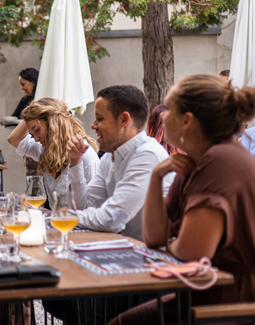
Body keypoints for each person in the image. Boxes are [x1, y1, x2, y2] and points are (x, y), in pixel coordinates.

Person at [109, 74, 255, 324]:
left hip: (234, 301)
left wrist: (172, 245)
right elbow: (154, 237)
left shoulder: (218, 161)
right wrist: (156, 178)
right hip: (208, 289)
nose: (163, 116)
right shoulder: (195, 161)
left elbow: (191, 252)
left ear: (187, 120)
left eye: (169, 109)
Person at [65, 85, 175, 241]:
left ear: (124, 119)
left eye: (100, 118)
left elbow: (112, 219)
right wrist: (75, 160)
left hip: (155, 258)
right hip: (129, 250)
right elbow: (83, 207)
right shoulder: (109, 158)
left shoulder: (147, 155)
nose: (93, 125)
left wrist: (68, 216)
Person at [7, 97, 99, 204]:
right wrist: (33, 111)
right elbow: (14, 139)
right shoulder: (46, 150)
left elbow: (93, 206)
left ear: (53, 122)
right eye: (32, 134)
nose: (36, 139)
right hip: (55, 220)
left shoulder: (86, 157)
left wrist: (50, 111)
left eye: (37, 130)